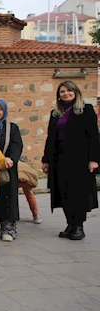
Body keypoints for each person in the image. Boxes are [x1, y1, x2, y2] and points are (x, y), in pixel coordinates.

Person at [42, 80, 100, 241]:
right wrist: (46, 160)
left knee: (78, 193)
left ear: (75, 92)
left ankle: (79, 226)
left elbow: (94, 136)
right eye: (62, 91)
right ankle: (70, 224)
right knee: (64, 192)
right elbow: (50, 138)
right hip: (59, 158)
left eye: (69, 91)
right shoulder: (56, 113)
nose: (66, 93)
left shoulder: (85, 110)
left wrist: (94, 159)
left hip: (79, 159)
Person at [0, 99, 23, 241]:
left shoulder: (11, 128)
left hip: (6, 169)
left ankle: (8, 228)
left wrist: (10, 159)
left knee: (7, 198)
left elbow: (17, 146)